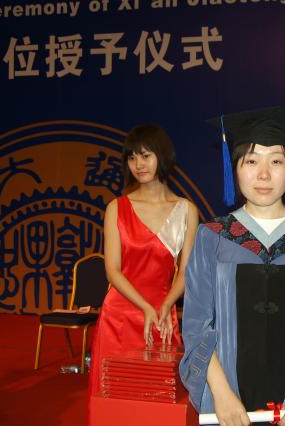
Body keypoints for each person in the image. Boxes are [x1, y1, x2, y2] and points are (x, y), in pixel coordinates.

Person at [180, 107, 285, 426]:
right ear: (235, 168)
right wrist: (222, 395)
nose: (263, 174)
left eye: (276, 161)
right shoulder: (213, 237)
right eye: (251, 161)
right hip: (230, 405)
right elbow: (197, 324)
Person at [88, 124, 199, 400]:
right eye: (132, 157)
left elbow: (187, 271)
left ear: (163, 156)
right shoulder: (116, 208)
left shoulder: (186, 210)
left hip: (161, 316)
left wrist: (166, 305)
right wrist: (145, 307)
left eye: (146, 156)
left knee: (157, 399)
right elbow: (113, 271)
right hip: (119, 318)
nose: (139, 164)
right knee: (113, 399)